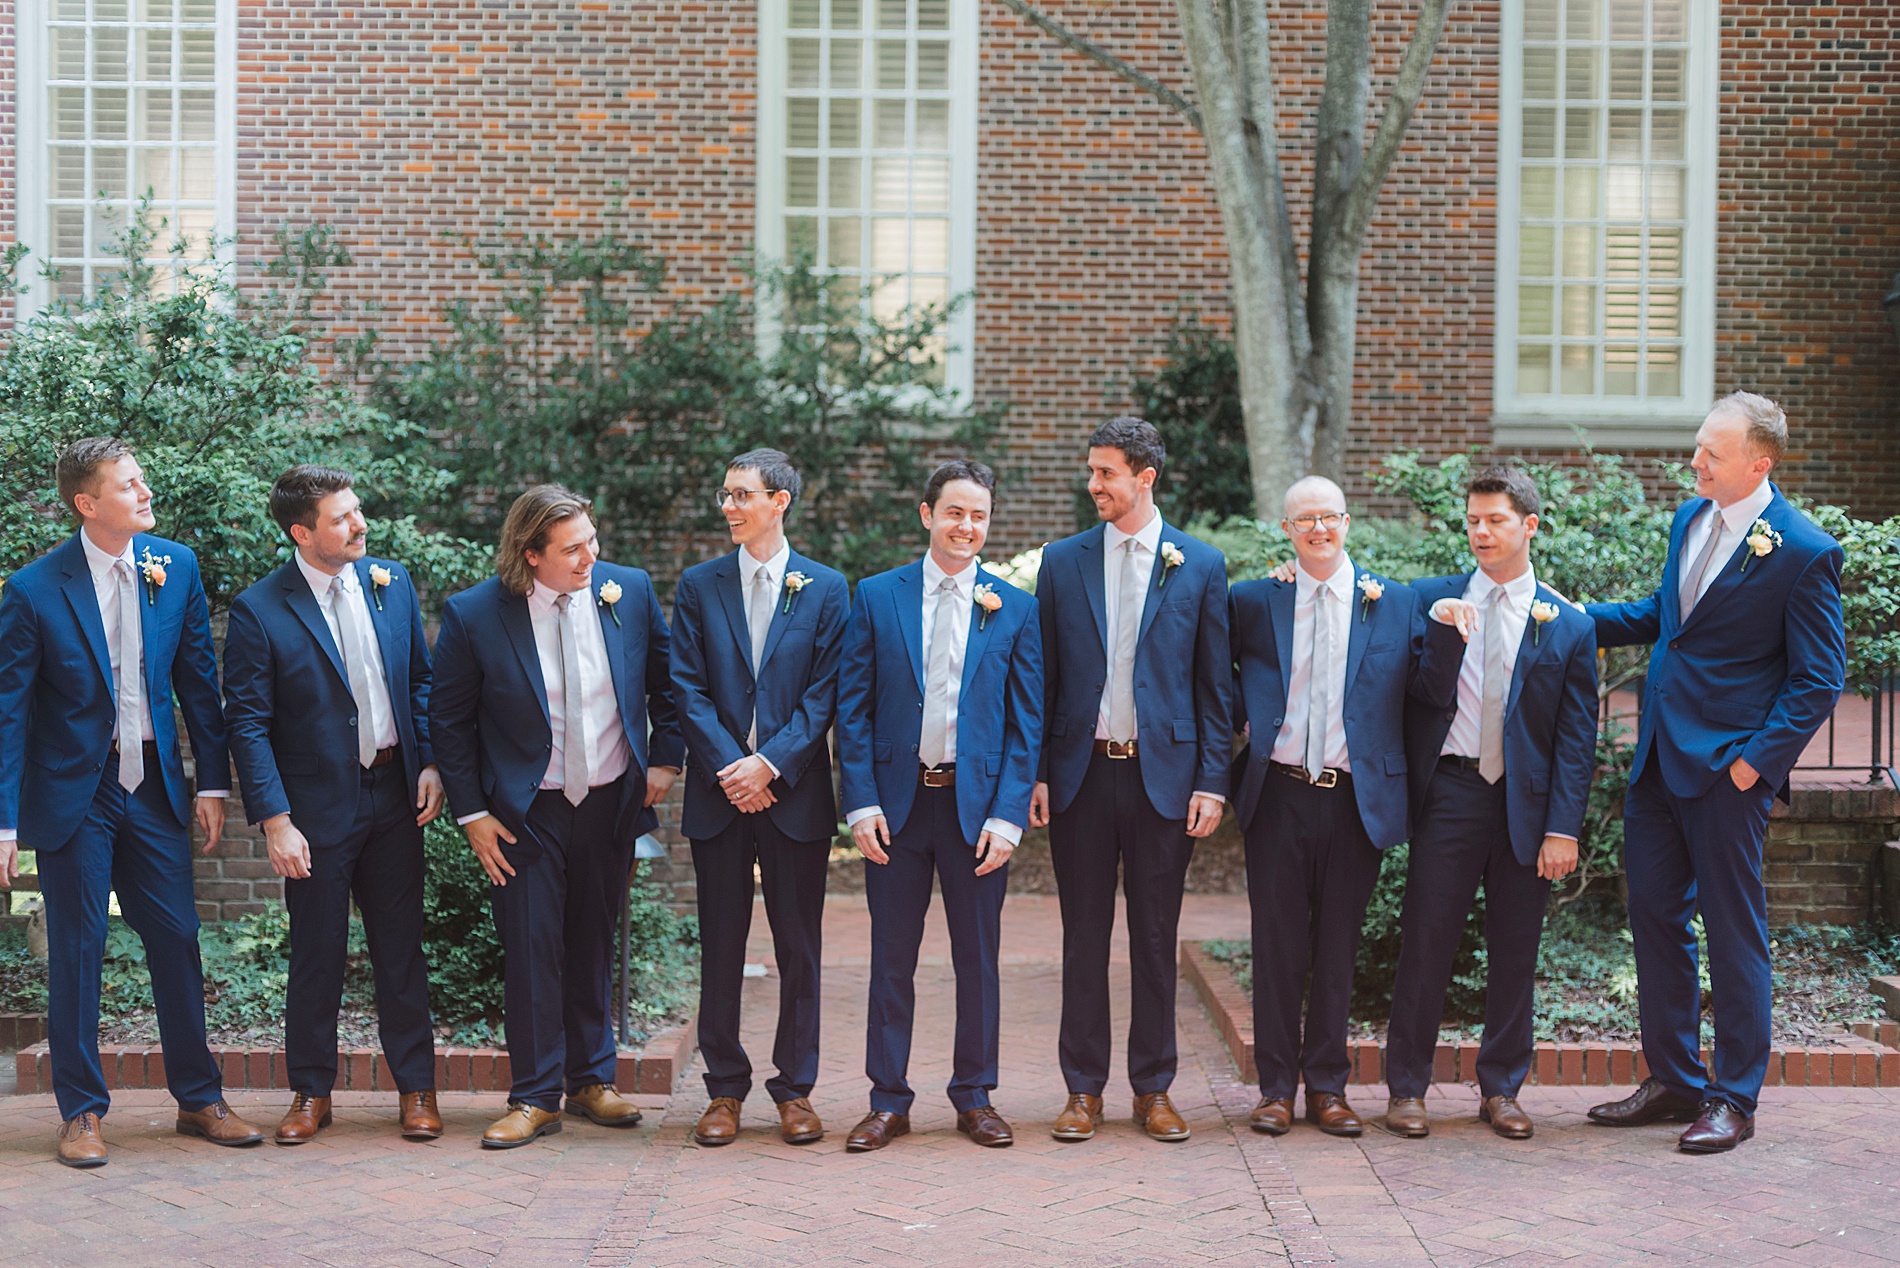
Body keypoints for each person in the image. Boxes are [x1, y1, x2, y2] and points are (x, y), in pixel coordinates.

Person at [1584, 393, 1844, 1153]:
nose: (1694, 462)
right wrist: (1562, 615)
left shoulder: (1801, 549)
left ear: (1758, 463)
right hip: (1660, 761)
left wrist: (1752, 766)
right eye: (1697, 446)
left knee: (1734, 933)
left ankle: (1734, 1098)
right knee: (1656, 921)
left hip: (1727, 774)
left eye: (1711, 452)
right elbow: (1666, 617)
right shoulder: (1689, 520)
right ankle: (1674, 1079)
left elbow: (1819, 680)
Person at [0, 437, 265, 1167]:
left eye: (142, 479)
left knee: (177, 938)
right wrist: (4, 821)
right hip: (73, 796)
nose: (145, 492)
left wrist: (212, 782)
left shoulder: (172, 566)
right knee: (78, 951)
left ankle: (199, 1097)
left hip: (152, 787)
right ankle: (81, 1112)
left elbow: (196, 681)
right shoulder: (32, 590)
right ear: (88, 504)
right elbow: (9, 711)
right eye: (128, 484)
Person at [430, 484, 683, 1148]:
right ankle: (535, 1096)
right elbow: (449, 725)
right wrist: (473, 815)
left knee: (594, 942)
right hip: (524, 814)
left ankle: (593, 1081)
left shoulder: (626, 591)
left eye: (592, 540)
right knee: (532, 948)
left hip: (610, 805)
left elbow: (669, 682)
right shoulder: (474, 615)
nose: (590, 556)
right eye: (573, 548)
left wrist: (665, 761)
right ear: (530, 552)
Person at [1232, 476, 1463, 1138]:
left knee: (1338, 947)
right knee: (1276, 948)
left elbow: (1427, 690)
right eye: (1303, 521)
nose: (1318, 530)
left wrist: (1450, 633)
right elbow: (1215, 680)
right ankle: (1276, 1088)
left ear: (1348, 521)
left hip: (1354, 798)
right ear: (1287, 531)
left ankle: (1328, 1088)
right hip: (1276, 794)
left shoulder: (1394, 602)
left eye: (1328, 517)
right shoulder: (1254, 602)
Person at [223, 465, 445, 1144]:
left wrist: (431, 760)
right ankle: (310, 1092)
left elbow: (420, 682)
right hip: (315, 812)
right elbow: (249, 723)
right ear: (302, 531)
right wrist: (276, 821)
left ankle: (416, 1090)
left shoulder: (392, 582)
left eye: (356, 512)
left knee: (401, 951)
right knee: (316, 953)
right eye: (342, 517)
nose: (359, 525)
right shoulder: (261, 608)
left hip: (395, 795)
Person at [1029, 417, 1232, 1143]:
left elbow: (1215, 687)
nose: (1094, 485)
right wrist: (1040, 774)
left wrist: (1212, 779)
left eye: (1106, 473)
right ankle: (1082, 1091)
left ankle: (1155, 1089)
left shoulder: (1200, 565)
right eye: (1092, 471)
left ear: (1145, 477)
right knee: (1083, 937)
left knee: (1155, 935)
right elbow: (1045, 680)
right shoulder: (1062, 561)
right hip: (1082, 777)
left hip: (1164, 781)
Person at [1383, 466, 1598, 1140]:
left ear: (1529, 525)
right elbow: (1416, 694)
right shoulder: (1428, 600)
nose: (1480, 531)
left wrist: (1563, 828)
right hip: (1449, 791)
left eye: (1495, 520)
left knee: (1515, 949)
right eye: (1473, 519)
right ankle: (1407, 1088)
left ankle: (1502, 1088)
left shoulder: (1566, 624)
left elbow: (1574, 738)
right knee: (1425, 941)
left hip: (1527, 807)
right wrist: (1445, 630)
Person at [835, 460, 1043, 1152]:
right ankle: (887, 1099)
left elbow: (1025, 724)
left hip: (976, 809)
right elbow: (854, 709)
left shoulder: (1014, 607)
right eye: (955, 512)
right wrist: (860, 803)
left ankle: (974, 1095)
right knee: (891, 958)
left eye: (979, 515)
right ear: (927, 515)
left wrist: (1009, 816)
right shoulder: (876, 596)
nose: (967, 526)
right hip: (896, 808)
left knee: (977, 958)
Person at [670, 450, 848, 1147]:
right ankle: (723, 1090)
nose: (730, 507)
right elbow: (684, 686)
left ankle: (795, 1090)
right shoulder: (698, 585)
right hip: (720, 795)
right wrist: (731, 768)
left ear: (780, 501)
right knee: (721, 943)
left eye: (743, 495)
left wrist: (770, 765)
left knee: (799, 947)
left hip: (794, 794)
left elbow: (827, 692)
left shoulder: (827, 589)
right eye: (725, 494)